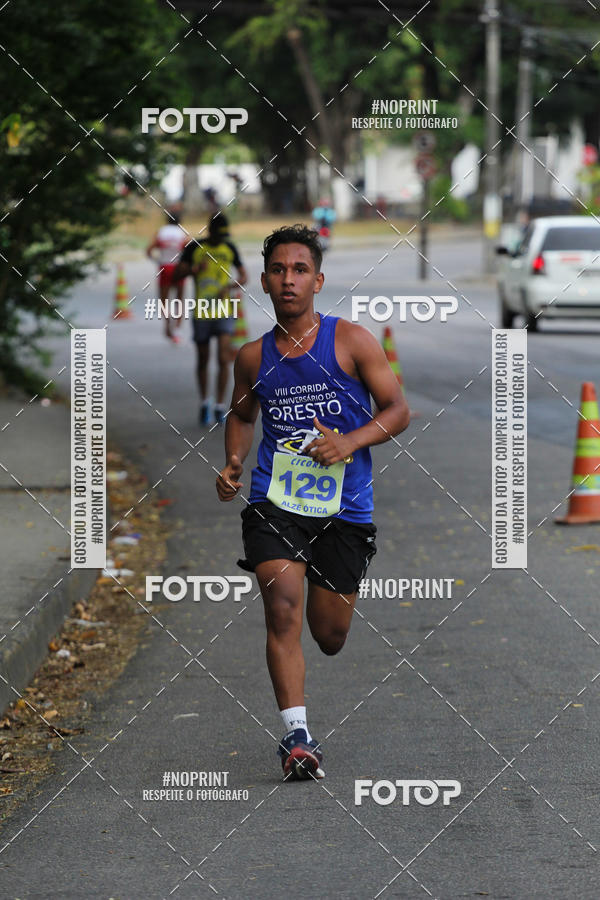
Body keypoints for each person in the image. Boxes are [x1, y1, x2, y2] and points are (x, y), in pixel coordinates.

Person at [216, 224, 409, 780]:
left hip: (345, 508)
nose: (289, 280)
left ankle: (314, 675)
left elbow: (396, 410)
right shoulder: (253, 358)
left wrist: (348, 441)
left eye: (300, 270)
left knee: (329, 635)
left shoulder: (350, 341)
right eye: (278, 270)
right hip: (275, 503)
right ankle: (297, 736)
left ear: (318, 280)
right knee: (281, 609)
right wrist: (234, 461)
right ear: (264, 281)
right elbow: (241, 415)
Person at [175, 213, 248, 426]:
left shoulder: (229, 248)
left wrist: (231, 286)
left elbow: (244, 276)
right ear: (210, 231)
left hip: (224, 310)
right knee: (203, 359)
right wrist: (194, 269)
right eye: (218, 235)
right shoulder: (195, 247)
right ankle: (205, 402)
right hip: (202, 312)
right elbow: (178, 273)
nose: (221, 239)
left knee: (224, 358)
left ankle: (220, 405)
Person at [146, 210, 188, 343]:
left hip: (164, 267)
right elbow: (189, 250)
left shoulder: (161, 232)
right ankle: (177, 330)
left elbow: (149, 250)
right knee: (179, 300)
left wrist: (157, 260)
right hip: (178, 268)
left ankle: (167, 325)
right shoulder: (182, 233)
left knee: (164, 300)